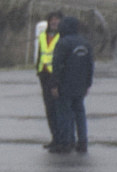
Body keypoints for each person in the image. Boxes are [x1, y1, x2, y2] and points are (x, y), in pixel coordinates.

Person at [50, 14, 94, 153]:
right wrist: (88, 84)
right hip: (80, 86)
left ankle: (66, 143)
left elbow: (57, 65)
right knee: (80, 114)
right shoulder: (85, 43)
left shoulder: (63, 43)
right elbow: (90, 65)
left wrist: (54, 84)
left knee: (64, 114)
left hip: (65, 85)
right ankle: (82, 142)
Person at [36, 11, 64, 150]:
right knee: (50, 109)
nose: (54, 22)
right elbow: (40, 54)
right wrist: (38, 70)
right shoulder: (43, 36)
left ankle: (62, 139)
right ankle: (55, 138)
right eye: (52, 19)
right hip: (44, 76)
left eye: (56, 19)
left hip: (57, 77)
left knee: (58, 109)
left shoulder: (62, 37)